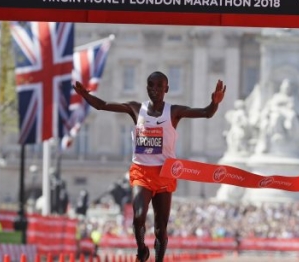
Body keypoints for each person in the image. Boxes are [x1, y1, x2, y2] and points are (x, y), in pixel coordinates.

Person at [73, 71, 226, 262]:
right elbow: (102, 105)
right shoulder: (136, 109)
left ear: (166, 89)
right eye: (151, 85)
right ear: (147, 88)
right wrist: (85, 95)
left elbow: (206, 113)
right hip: (142, 171)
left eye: (159, 86)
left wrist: (215, 103)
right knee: (138, 216)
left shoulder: (174, 112)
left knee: (161, 228)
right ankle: (142, 250)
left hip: (164, 173)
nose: (155, 90)